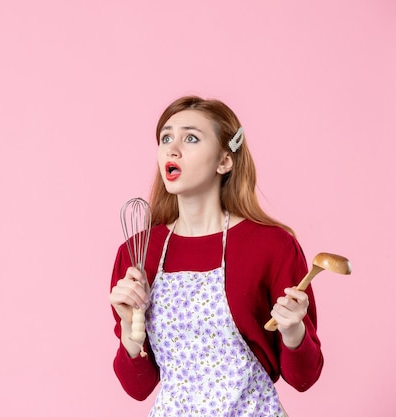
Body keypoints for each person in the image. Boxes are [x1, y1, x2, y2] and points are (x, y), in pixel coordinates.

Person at [109, 96, 323, 416]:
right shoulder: (137, 254)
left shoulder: (273, 246)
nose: (172, 148)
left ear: (224, 161)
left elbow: (304, 378)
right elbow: (137, 388)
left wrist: (294, 331)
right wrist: (129, 326)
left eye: (191, 138)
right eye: (166, 137)